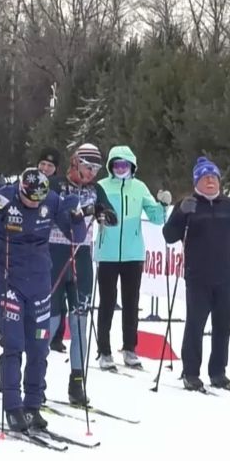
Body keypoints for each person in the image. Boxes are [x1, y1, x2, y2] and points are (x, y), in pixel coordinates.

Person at [0, 168, 83, 433]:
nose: (35, 204)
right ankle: (12, 406)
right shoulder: (3, 197)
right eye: (29, 199)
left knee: (39, 346)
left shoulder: (51, 200)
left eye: (39, 200)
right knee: (13, 344)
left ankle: (33, 404)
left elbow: (77, 237)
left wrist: (76, 215)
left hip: (39, 281)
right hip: (9, 280)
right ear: (20, 190)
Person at [163, 157, 230, 392]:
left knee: (223, 326)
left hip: (226, 276)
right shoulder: (187, 204)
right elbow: (169, 235)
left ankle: (218, 372)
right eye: (205, 177)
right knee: (195, 326)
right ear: (196, 181)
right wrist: (180, 214)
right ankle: (191, 372)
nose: (210, 181)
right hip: (197, 276)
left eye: (214, 177)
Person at [49, 144, 116, 406]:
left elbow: (111, 215)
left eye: (96, 169)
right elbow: (51, 213)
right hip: (54, 256)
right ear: (75, 162)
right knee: (50, 322)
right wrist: (85, 212)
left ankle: (77, 382)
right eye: (88, 167)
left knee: (79, 322)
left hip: (82, 259)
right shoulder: (56, 184)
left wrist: (104, 212)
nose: (92, 173)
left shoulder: (96, 190)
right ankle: (34, 380)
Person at [95, 145, 168, 370]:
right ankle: (104, 351)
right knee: (107, 303)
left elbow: (156, 218)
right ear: (111, 166)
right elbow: (92, 210)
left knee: (131, 303)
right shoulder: (102, 186)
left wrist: (163, 204)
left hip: (133, 254)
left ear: (132, 166)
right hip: (107, 253)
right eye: (116, 164)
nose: (120, 168)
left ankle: (130, 348)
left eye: (124, 164)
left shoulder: (139, 187)